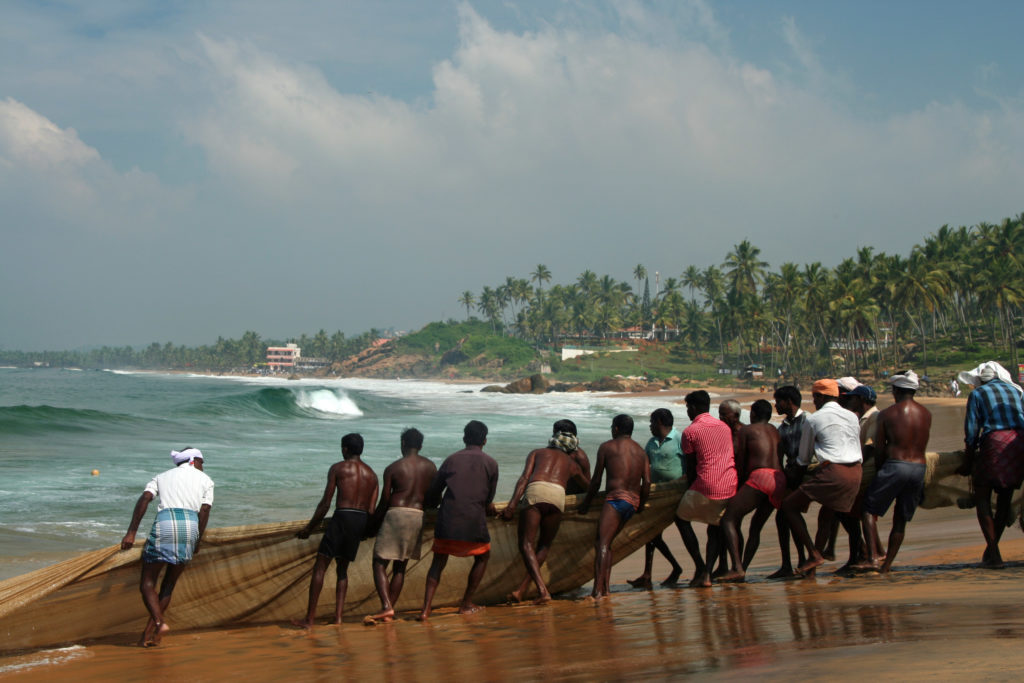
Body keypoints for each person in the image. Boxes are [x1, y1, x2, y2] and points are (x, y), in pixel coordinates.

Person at [120, 447, 214, 647]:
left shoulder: (161, 477)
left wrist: (131, 533)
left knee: (147, 583)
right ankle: (148, 635)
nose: (203, 466)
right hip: (190, 526)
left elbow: (145, 498)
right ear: (193, 460)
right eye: (201, 461)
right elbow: (204, 510)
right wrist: (197, 540)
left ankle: (159, 622)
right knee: (168, 584)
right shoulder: (206, 481)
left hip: (166, 523)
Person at [293, 433, 379, 627]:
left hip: (342, 516)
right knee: (343, 569)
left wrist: (309, 527)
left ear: (345, 449)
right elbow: (372, 510)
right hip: (360, 520)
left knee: (321, 566)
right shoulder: (372, 475)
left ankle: (310, 619)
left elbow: (325, 503)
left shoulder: (338, 468)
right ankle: (338, 618)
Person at [501, 420, 590, 603]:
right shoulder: (572, 464)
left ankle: (542, 591)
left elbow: (524, 479)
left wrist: (511, 506)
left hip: (537, 491)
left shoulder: (537, 453)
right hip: (558, 497)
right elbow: (589, 486)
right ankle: (522, 590)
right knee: (544, 546)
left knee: (526, 544)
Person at [781, 379, 863, 576]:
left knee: (789, 507)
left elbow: (804, 458)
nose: (814, 401)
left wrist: (794, 481)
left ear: (821, 396)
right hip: (855, 472)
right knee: (834, 514)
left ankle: (814, 554)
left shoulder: (814, 419)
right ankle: (858, 554)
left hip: (833, 472)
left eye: (815, 397)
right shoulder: (852, 416)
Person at [418, 420, 499, 619]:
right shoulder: (491, 463)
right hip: (473, 523)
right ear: (485, 441)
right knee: (482, 557)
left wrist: (430, 506)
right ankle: (465, 604)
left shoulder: (451, 460)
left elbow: (434, 492)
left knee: (439, 560)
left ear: (464, 438)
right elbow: (488, 498)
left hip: (447, 522)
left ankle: (426, 609)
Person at [857, 371, 932, 572]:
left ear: (896, 390)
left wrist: (879, 470)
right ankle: (887, 564)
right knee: (900, 519)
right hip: (919, 467)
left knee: (868, 510)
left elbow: (880, 448)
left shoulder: (887, 414)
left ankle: (873, 558)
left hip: (895, 466)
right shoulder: (926, 413)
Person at [364, 428, 437, 624]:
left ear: (402, 443)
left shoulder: (393, 468)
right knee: (400, 567)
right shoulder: (430, 467)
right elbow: (434, 498)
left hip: (396, 513)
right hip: (418, 515)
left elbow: (385, 500)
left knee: (379, 563)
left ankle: (387, 606)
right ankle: (389, 610)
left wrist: (372, 525)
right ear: (420, 446)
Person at [957, 361, 1024, 568]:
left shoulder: (978, 394)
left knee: (982, 495)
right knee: (1004, 497)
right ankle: (991, 550)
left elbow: (971, 431)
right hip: (1018, 442)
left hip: (994, 442)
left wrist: (968, 461)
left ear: (980, 380)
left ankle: (994, 554)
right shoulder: (1015, 390)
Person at [579, 414, 650, 599]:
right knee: (608, 544)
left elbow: (595, 481)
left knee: (601, 543)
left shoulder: (607, 447)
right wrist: (641, 505)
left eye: (612, 426)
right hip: (632, 502)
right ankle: (606, 589)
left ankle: (596, 591)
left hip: (616, 499)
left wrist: (586, 504)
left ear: (616, 428)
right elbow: (647, 482)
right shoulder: (641, 451)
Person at [673, 390, 738, 588]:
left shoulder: (690, 432)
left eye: (687, 408)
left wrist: (688, 488)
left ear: (693, 408)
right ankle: (708, 573)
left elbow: (691, 468)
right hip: (730, 485)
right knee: (714, 527)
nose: (687, 412)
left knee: (680, 518)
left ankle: (701, 567)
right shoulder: (724, 427)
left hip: (707, 486)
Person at [718, 399, 783, 582]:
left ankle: (737, 568)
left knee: (728, 519)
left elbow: (742, 462)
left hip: (760, 478)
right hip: (779, 479)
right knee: (755, 528)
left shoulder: (746, 430)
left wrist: (737, 487)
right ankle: (742, 568)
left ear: (752, 413)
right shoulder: (775, 430)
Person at [628, 409, 685, 589]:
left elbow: (691, 464)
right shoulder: (651, 443)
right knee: (651, 534)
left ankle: (690, 568)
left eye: (652, 422)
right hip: (656, 494)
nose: (650, 426)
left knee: (684, 530)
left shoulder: (679, 439)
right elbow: (644, 465)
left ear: (660, 422)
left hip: (676, 494)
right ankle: (648, 574)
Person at [768, 385, 808, 579]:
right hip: (792, 475)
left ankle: (800, 560)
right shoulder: (782, 428)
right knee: (784, 517)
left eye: (779, 401)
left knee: (789, 515)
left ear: (789, 402)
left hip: (807, 473)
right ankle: (791, 562)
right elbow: (779, 455)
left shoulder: (808, 421)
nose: (776, 405)